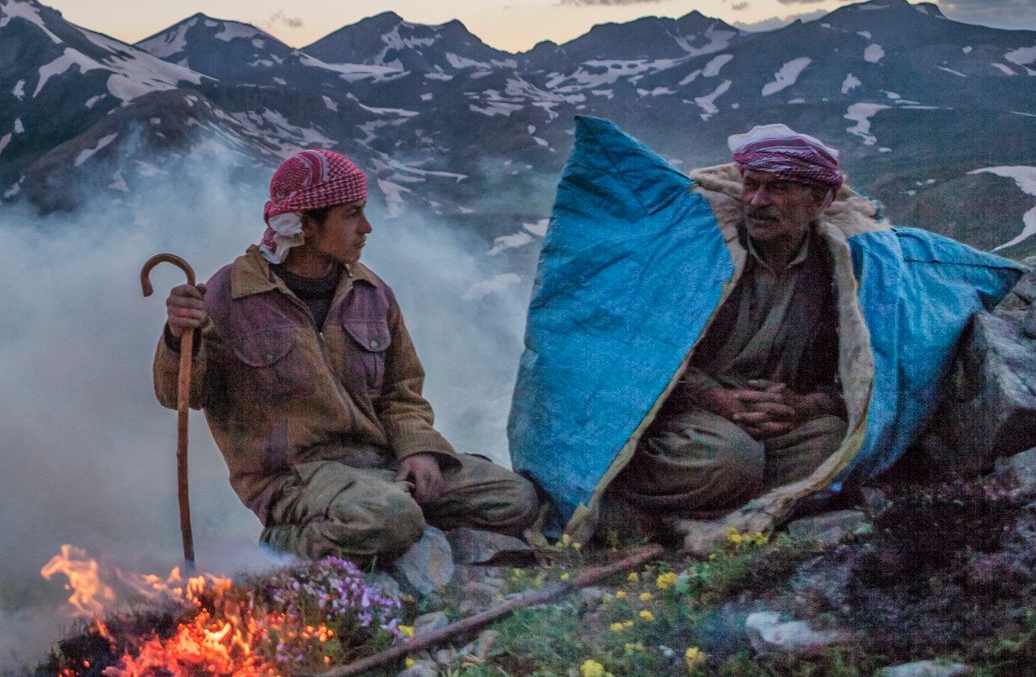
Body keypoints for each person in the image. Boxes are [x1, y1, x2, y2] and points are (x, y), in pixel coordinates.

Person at [155, 148, 541, 565]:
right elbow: (182, 395)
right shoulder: (230, 295)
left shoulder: (372, 294)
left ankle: (385, 519)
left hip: (381, 464)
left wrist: (418, 450)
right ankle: (287, 543)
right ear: (303, 224)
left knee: (516, 499)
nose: (366, 227)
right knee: (390, 516)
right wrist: (177, 336)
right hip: (297, 478)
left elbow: (402, 391)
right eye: (352, 214)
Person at [605, 126, 849, 524]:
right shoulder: (706, 253)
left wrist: (800, 407)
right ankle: (647, 505)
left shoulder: (835, 271)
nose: (757, 201)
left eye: (778, 189)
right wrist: (716, 399)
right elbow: (645, 356)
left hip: (767, 420)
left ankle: (709, 512)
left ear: (817, 200)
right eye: (751, 185)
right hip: (686, 416)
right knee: (730, 459)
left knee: (831, 441)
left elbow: (851, 377)